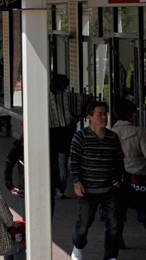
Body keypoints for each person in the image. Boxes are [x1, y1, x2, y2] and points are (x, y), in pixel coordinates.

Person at [69, 100, 125, 260]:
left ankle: (111, 256)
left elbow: (119, 160)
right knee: (84, 224)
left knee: (113, 226)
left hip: (109, 190)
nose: (104, 117)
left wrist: (117, 177)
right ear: (90, 117)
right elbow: (74, 161)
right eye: (99, 114)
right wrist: (77, 181)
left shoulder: (113, 138)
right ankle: (77, 247)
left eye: (105, 113)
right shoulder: (80, 136)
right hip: (88, 190)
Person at [110, 99, 146, 249]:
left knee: (118, 211)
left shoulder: (110, 133)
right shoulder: (139, 132)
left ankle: (118, 240)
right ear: (130, 114)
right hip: (138, 176)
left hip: (118, 177)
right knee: (143, 209)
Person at [49, 74, 77, 198]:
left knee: (52, 161)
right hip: (66, 133)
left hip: (51, 132)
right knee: (62, 161)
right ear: (64, 85)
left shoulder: (46, 97)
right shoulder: (69, 98)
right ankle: (61, 189)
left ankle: (52, 186)